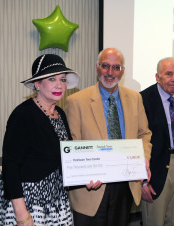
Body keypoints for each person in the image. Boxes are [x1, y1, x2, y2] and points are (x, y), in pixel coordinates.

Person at [64, 48, 152, 226]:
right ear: (97, 68)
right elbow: (72, 144)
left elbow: (144, 133)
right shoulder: (76, 101)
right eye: (105, 66)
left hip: (125, 184)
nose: (110, 72)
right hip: (91, 189)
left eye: (116, 67)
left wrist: (144, 157)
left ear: (123, 71)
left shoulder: (135, 98)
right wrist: (85, 172)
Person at [0, 54, 80, 225]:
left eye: (62, 79)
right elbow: (10, 167)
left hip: (56, 200)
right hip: (27, 201)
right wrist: (21, 214)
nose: (59, 85)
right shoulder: (23, 115)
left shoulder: (60, 114)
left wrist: (85, 176)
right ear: (37, 84)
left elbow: (65, 157)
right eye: (52, 79)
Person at [140, 57, 174, 226]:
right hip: (156, 167)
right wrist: (142, 181)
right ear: (157, 76)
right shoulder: (143, 99)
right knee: (155, 219)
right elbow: (138, 140)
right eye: (168, 74)